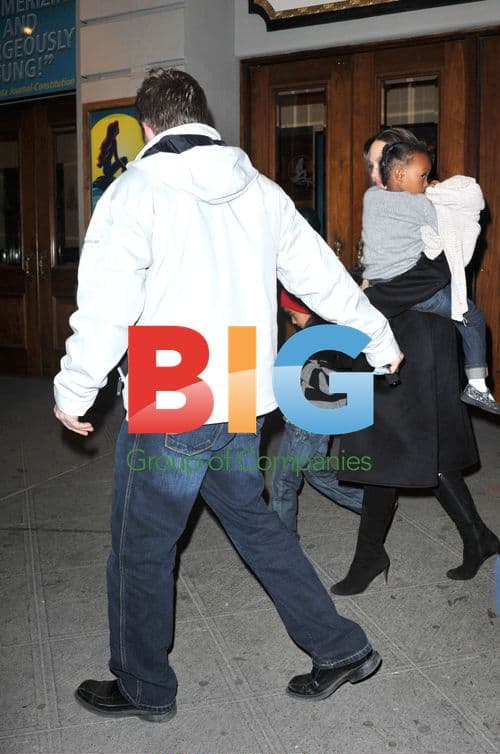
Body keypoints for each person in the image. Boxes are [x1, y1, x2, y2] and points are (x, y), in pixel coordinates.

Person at [53, 69, 403, 719]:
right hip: (240, 378)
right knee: (254, 522)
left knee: (141, 548)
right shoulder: (261, 190)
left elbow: (106, 305)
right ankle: (340, 648)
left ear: (147, 127)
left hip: (173, 381)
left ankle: (143, 685)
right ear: (202, 116)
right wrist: (378, 338)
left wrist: (75, 388)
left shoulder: (134, 192)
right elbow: (321, 273)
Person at [329, 131, 499, 596]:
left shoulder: (429, 208)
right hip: (391, 346)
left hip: (419, 349)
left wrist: (365, 301)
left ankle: (372, 556)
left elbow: (433, 274)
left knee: (395, 451)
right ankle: (475, 537)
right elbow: (386, 270)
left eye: (378, 163)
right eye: (369, 166)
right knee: (408, 451)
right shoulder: (388, 207)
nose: (372, 174)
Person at [362, 139, 499, 414]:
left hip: (379, 281)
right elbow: (451, 224)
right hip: (415, 288)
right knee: (471, 317)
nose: (426, 183)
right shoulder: (421, 204)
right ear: (400, 174)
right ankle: (477, 386)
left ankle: (381, 362)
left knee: (379, 323)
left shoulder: (372, 198)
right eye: (423, 176)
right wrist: (439, 194)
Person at [271, 288, 363, 538]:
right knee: (317, 473)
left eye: (292, 314)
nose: (292, 321)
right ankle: (372, 504)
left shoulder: (313, 339)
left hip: (307, 418)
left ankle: (282, 542)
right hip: (320, 415)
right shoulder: (331, 330)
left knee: (284, 481)